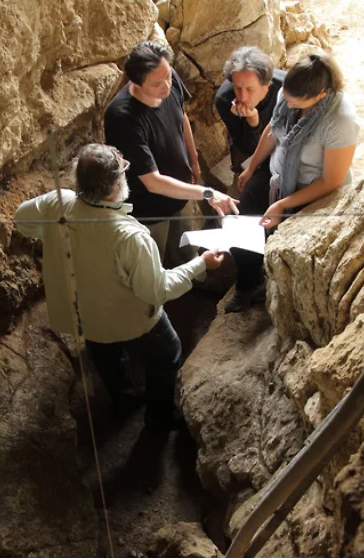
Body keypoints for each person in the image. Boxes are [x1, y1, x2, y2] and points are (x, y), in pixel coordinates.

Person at [15, 143, 226, 429]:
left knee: (106, 355)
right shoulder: (130, 237)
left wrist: (51, 232)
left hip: (88, 316)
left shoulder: (58, 202)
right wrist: (201, 263)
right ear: (115, 184)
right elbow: (158, 290)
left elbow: (22, 219)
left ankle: (124, 399)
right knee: (168, 353)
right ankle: (159, 417)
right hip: (134, 320)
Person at [231, 51, 359, 311]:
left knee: (291, 249)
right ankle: (249, 283)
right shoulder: (288, 93)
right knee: (242, 222)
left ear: (320, 95)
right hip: (278, 175)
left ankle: (284, 298)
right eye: (286, 98)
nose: (287, 104)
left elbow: (331, 180)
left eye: (295, 102)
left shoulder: (340, 121)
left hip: (315, 190)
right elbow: (273, 129)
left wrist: (283, 204)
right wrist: (252, 167)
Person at [105, 40, 238, 265]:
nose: (167, 86)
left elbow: (181, 114)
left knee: (186, 252)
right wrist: (207, 193)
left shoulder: (168, 76)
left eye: (167, 76)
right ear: (136, 83)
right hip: (150, 210)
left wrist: (193, 159)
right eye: (157, 84)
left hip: (182, 192)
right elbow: (153, 182)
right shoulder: (123, 118)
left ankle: (194, 278)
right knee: (156, 266)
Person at [213, 46, 286, 311]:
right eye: (237, 87)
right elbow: (245, 144)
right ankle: (249, 282)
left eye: (250, 89)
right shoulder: (225, 99)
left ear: (266, 84)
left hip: (287, 153)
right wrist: (253, 122)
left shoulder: (285, 89)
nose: (242, 96)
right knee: (242, 216)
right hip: (255, 156)